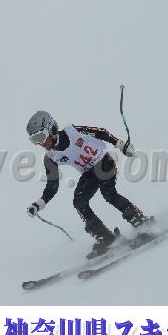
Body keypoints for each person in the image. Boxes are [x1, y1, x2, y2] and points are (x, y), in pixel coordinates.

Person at [25, 110, 149, 258]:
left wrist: (120, 144)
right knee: (79, 201)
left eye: (40, 137)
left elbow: (100, 133)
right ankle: (106, 238)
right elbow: (52, 184)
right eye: (35, 140)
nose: (40, 143)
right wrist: (40, 203)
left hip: (103, 162)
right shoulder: (50, 157)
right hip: (88, 173)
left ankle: (140, 221)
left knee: (108, 193)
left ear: (51, 129)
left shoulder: (73, 132)